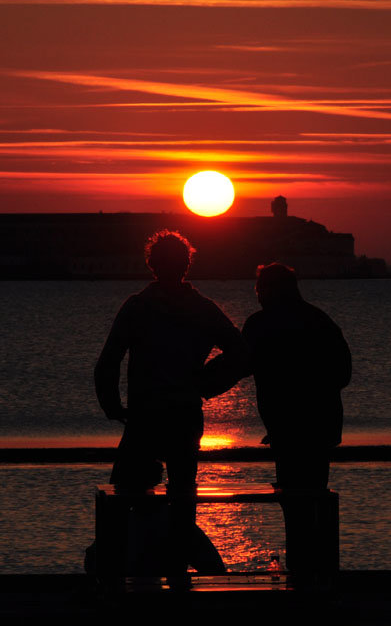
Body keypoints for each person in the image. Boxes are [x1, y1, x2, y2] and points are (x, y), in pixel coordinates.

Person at [93, 229, 249, 580]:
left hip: (145, 415)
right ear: (185, 265)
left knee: (124, 495)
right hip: (183, 414)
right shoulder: (201, 308)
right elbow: (242, 354)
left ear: (152, 265)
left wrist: (112, 406)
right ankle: (175, 572)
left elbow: (108, 360)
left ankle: (121, 575)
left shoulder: (138, 306)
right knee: (181, 499)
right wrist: (206, 383)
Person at [242, 263, 351, 578]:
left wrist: (198, 384)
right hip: (321, 428)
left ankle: (302, 573)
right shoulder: (320, 321)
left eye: (261, 289)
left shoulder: (262, 324)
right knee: (314, 498)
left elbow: (239, 363)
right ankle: (316, 573)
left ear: (271, 290)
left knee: (294, 503)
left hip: (288, 431)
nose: (259, 296)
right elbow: (343, 373)